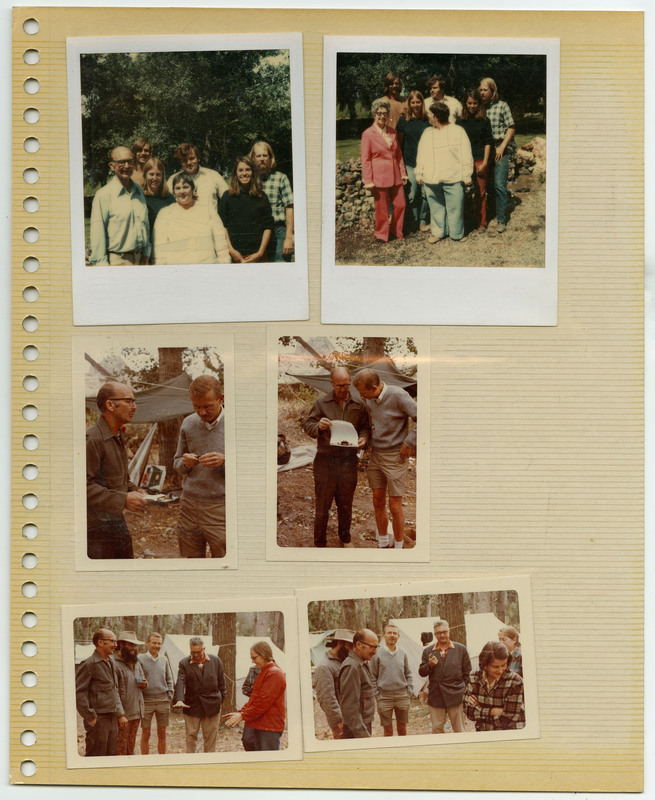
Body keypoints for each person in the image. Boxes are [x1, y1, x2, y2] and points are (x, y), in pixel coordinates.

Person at [303, 367, 371, 548]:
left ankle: (345, 538)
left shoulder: (359, 404)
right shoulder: (321, 403)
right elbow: (308, 425)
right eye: (339, 385)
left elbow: (365, 427)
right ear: (331, 383)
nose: (343, 389)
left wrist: (364, 438)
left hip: (348, 461)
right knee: (322, 505)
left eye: (347, 385)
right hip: (326, 460)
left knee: (346, 504)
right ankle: (319, 543)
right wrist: (318, 425)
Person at [351, 369, 417, 549]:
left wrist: (409, 443)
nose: (361, 396)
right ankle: (382, 543)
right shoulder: (369, 399)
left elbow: (424, 418)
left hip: (396, 457)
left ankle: (398, 547)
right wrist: (366, 439)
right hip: (376, 456)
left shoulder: (398, 395)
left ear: (374, 387)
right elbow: (374, 424)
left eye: (363, 392)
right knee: (377, 500)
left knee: (395, 506)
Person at [86, 381, 148, 559]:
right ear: (110, 405)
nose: (134, 407)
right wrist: (124, 499)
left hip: (115, 521)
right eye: (129, 401)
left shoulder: (117, 435)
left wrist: (134, 490)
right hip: (95, 528)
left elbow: (117, 477)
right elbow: (82, 486)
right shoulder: (92, 439)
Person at [173, 375, 227, 559]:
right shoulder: (188, 423)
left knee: (224, 562)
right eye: (196, 406)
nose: (202, 413)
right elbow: (177, 463)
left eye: (207, 406)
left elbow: (251, 469)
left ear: (221, 399)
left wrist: (226, 461)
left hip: (220, 508)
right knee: (191, 562)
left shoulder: (236, 425)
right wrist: (185, 463)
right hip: (188, 505)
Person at [415, 101, 473, 244]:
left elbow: (466, 154)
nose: (428, 116)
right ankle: (439, 232)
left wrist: (467, 175)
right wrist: (419, 173)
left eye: (430, 114)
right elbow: (421, 154)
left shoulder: (458, 131)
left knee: (455, 208)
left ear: (436, 116)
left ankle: (457, 234)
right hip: (431, 179)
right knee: (436, 208)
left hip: (453, 178)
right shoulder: (427, 133)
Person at [88, 145, 151, 265]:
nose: (126, 166)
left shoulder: (138, 190)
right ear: (112, 166)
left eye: (130, 161)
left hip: (140, 260)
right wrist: (102, 265)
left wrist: (146, 253)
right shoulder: (104, 195)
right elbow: (97, 233)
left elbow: (145, 225)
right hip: (118, 261)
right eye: (121, 162)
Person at [153, 173, 231, 265]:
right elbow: (159, 248)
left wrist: (224, 267)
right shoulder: (165, 213)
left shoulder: (208, 209)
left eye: (185, 187)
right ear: (173, 192)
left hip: (207, 268)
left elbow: (220, 241)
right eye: (178, 188)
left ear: (193, 189)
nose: (182, 191)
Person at [223, 642, 287, 751]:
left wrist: (243, 715)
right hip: (257, 721)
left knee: (267, 760)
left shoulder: (274, 673)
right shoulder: (264, 671)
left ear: (264, 655)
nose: (252, 661)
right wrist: (241, 712)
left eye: (254, 658)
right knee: (248, 741)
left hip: (269, 726)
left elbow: (263, 703)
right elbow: (254, 698)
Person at [361, 98, 408, 244]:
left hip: (396, 176)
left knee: (401, 204)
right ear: (374, 114)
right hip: (379, 177)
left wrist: (403, 172)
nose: (382, 116)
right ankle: (381, 234)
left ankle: (396, 230)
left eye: (385, 113)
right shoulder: (368, 134)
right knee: (381, 209)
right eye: (379, 113)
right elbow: (366, 159)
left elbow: (398, 155)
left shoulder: (393, 132)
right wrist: (368, 180)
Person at [75, 628, 125, 757]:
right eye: (112, 641)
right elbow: (79, 693)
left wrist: (120, 714)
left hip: (112, 718)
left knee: (111, 755)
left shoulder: (111, 661)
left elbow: (115, 689)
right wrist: (90, 717)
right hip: (98, 719)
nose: (115, 645)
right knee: (96, 755)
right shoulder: (89, 664)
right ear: (101, 643)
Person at [173, 636, 226, 753]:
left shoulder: (215, 660)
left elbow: (222, 683)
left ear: (204, 649)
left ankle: (209, 763)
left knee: (210, 738)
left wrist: (219, 700)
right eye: (192, 652)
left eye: (198, 652)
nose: (195, 655)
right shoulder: (184, 663)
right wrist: (180, 699)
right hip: (192, 705)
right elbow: (180, 681)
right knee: (191, 736)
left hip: (212, 705)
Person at [418, 620, 471, 734]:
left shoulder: (460, 649)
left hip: (456, 695)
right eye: (439, 633)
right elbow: (422, 672)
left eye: (444, 632)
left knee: (459, 730)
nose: (442, 635)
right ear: (435, 634)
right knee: (437, 729)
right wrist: (430, 665)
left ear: (449, 632)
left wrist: (465, 691)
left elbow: (467, 674)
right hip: (436, 695)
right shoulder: (428, 651)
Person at [218, 156, 274, 263]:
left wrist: (260, 252)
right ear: (235, 174)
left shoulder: (261, 197)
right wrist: (231, 250)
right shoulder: (227, 196)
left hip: (257, 255)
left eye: (248, 169)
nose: (244, 173)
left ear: (253, 172)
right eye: (240, 170)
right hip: (234, 255)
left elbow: (268, 226)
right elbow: (223, 226)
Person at [478, 77, 516, 233]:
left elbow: (511, 127)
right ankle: (487, 215)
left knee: (499, 185)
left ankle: (501, 219)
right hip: (484, 150)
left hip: (499, 148)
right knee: (486, 185)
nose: (481, 93)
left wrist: (502, 147)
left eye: (485, 90)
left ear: (492, 91)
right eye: (480, 89)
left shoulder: (502, 106)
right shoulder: (478, 107)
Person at [464, 641, 525, 731]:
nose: (500, 671)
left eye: (503, 665)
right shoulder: (475, 676)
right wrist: (493, 711)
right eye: (495, 667)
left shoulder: (515, 681)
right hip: (483, 731)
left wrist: (479, 709)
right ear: (485, 664)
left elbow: (508, 720)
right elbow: (468, 711)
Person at [249, 141, 294, 262]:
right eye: (258, 156)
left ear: (270, 158)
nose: (262, 159)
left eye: (265, 155)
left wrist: (289, 237)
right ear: (253, 159)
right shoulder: (249, 180)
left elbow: (289, 207)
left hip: (278, 231)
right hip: (257, 233)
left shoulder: (281, 178)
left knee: (281, 267)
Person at [456, 89, 494, 229]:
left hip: (479, 160)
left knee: (480, 193)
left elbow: (488, 142)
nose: (472, 106)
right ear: (465, 103)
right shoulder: (459, 121)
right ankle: (465, 222)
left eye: (475, 103)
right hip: (464, 162)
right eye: (469, 103)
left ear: (479, 104)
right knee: (463, 193)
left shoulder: (484, 120)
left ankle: (481, 222)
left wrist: (484, 163)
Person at [369, 623, 413, 736]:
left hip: (402, 695)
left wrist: (409, 691)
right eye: (389, 633)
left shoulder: (403, 653)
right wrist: (377, 695)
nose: (392, 635)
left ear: (398, 636)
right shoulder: (376, 654)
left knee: (402, 729)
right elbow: (372, 676)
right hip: (384, 697)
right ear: (383, 635)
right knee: (388, 730)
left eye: (395, 633)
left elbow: (408, 673)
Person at [395, 90, 431, 232]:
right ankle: (413, 220)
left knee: (425, 193)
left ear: (422, 103)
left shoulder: (428, 120)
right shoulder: (404, 120)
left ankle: (422, 220)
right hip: (409, 162)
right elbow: (399, 143)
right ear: (409, 103)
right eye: (413, 102)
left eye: (418, 102)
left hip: (426, 163)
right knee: (411, 194)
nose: (415, 105)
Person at [166, 142, 228, 218]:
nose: (189, 162)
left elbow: (228, 199)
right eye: (184, 160)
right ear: (180, 162)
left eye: (192, 158)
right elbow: (166, 204)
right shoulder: (172, 179)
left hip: (210, 226)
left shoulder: (213, 175)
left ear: (198, 158)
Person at [337, 628, 379, 738]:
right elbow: (350, 709)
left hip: (361, 725)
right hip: (355, 730)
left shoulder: (360, 663)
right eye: (372, 647)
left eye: (376, 647)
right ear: (359, 645)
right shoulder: (352, 667)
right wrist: (363, 736)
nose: (375, 651)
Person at [313, 629, 355, 739]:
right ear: (340, 643)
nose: (352, 649)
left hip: (353, 719)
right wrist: (339, 721)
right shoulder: (325, 667)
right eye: (350, 646)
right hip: (342, 723)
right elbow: (326, 699)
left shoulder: (343, 661)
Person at [138, 632, 174, 754]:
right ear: (147, 643)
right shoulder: (140, 659)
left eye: (159, 643)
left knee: (162, 732)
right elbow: (137, 677)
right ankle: (145, 760)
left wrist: (170, 695)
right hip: (146, 701)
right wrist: (140, 684)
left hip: (163, 700)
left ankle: (162, 759)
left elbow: (169, 678)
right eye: (154, 642)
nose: (156, 646)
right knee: (146, 732)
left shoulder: (164, 659)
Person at [114, 631, 147, 756]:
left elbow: (143, 678)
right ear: (121, 644)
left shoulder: (136, 662)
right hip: (123, 715)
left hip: (136, 713)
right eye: (130, 644)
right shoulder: (114, 664)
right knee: (120, 748)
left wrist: (145, 684)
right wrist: (120, 714)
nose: (134, 648)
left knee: (131, 746)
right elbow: (114, 691)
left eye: (135, 645)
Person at [142, 157, 175, 262]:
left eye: (158, 174)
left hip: (164, 250)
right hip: (144, 251)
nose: (154, 178)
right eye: (151, 174)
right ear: (145, 175)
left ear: (162, 176)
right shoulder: (139, 198)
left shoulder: (169, 198)